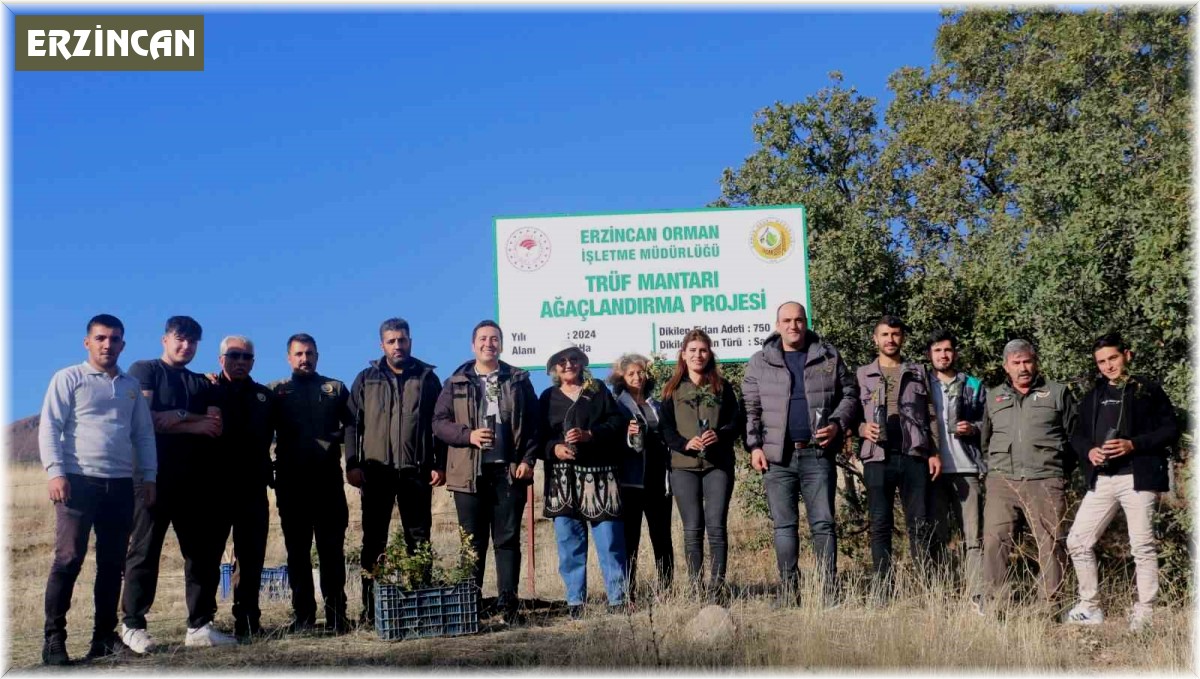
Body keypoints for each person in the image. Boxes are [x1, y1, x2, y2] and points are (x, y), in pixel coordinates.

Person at [39, 314, 157, 665]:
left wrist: (149, 476)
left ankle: (103, 638)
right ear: (87, 342)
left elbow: (143, 435)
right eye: (101, 338)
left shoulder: (130, 386)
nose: (108, 345)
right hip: (77, 481)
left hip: (120, 484)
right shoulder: (68, 378)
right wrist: (55, 472)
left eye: (115, 339)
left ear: (123, 344)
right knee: (68, 558)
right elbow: (50, 426)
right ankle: (53, 639)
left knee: (111, 563)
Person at [120, 316, 236, 651]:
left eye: (192, 341)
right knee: (144, 551)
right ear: (165, 339)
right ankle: (133, 624)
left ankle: (199, 625)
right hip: (151, 478)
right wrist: (191, 419)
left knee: (200, 555)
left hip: (194, 483)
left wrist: (175, 417)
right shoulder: (145, 370)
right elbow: (145, 419)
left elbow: (214, 426)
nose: (186, 346)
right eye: (180, 339)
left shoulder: (204, 383)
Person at [743, 302, 857, 607]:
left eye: (799, 320)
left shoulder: (828, 356)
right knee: (784, 527)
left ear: (806, 322)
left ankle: (827, 592)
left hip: (817, 454)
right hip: (777, 457)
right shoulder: (759, 361)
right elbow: (751, 409)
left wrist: (837, 424)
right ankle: (789, 593)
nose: (793, 325)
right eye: (787, 320)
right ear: (777, 324)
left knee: (823, 524)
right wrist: (754, 446)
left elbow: (850, 395)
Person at [1064, 333, 1178, 631]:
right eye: (1101, 361)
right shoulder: (1093, 395)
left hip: (1137, 479)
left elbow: (1170, 429)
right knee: (1077, 541)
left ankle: (1145, 613)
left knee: (1141, 546)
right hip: (1102, 479)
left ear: (1127, 354)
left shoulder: (1147, 390)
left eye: (1112, 358)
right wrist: (1089, 451)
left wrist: (1134, 445)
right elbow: (1076, 435)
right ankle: (1089, 607)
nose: (1107, 366)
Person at [432, 320, 538, 624]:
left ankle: (508, 605)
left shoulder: (518, 380)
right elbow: (438, 423)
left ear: (501, 344)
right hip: (468, 475)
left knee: (506, 540)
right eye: (482, 338)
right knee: (473, 543)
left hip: (508, 472)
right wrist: (468, 436)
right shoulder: (456, 381)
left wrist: (527, 459)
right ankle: (470, 606)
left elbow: (532, 426)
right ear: (472, 344)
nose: (488, 343)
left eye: (494, 339)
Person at [346, 317, 445, 627]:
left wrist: (439, 463)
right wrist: (352, 463)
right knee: (374, 541)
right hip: (376, 473)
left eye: (402, 340)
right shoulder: (366, 379)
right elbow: (352, 425)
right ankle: (371, 609)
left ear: (410, 341)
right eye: (391, 341)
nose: (398, 345)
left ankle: (422, 606)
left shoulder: (427, 378)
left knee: (420, 539)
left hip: (416, 471)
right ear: (382, 345)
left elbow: (439, 424)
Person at [980, 339, 1076, 608]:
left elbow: (1074, 438)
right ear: (1006, 366)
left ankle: (1051, 606)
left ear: (1036, 362)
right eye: (1016, 363)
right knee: (994, 542)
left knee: (1051, 543)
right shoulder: (993, 396)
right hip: (1002, 481)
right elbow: (986, 441)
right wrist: (997, 470)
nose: (1023, 368)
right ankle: (996, 604)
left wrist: (1056, 471)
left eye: (1027, 361)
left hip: (1046, 479)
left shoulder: (1057, 393)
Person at [269, 333, 352, 632]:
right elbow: (262, 433)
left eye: (310, 353)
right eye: (299, 354)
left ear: (318, 355)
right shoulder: (276, 391)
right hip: (292, 486)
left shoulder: (336, 389)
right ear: (289, 357)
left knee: (332, 552)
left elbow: (354, 427)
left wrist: (351, 461)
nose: (305, 359)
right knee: (298, 554)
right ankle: (303, 617)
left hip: (328, 483)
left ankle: (337, 616)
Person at [538, 342, 627, 617]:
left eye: (573, 359)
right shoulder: (546, 397)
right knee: (569, 542)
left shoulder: (598, 390)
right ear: (554, 367)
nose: (568, 364)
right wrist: (554, 448)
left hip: (600, 475)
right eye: (562, 360)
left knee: (610, 540)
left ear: (581, 363)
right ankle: (576, 602)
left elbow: (616, 424)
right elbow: (537, 437)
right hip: (562, 479)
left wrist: (591, 435)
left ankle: (618, 598)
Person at [855, 315, 941, 594]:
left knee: (920, 524)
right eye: (884, 334)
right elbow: (851, 414)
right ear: (875, 339)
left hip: (913, 456)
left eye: (895, 334)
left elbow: (930, 415)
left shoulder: (917, 371)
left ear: (902, 338)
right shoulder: (861, 374)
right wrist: (861, 428)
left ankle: (927, 586)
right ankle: (883, 588)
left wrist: (934, 452)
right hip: (877, 457)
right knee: (880, 524)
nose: (890, 339)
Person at [659, 329, 744, 603]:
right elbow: (665, 430)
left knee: (716, 526)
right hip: (683, 467)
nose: (698, 355)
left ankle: (717, 588)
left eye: (703, 350)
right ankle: (696, 589)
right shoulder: (672, 390)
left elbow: (736, 422)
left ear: (710, 354)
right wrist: (685, 444)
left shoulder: (722, 387)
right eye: (692, 350)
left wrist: (720, 434)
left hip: (718, 464)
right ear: (683, 355)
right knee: (692, 528)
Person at [210, 336, 274, 637]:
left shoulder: (264, 396)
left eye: (247, 357)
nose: (240, 361)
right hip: (215, 487)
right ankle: (202, 622)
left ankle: (247, 621)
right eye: (234, 355)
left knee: (251, 558)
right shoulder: (206, 389)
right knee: (207, 556)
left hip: (252, 488)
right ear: (221, 358)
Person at [925, 329, 987, 596]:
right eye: (938, 350)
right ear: (930, 354)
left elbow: (987, 423)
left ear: (955, 353)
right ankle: (943, 592)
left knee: (973, 538)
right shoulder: (922, 385)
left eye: (948, 350)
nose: (943, 355)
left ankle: (976, 594)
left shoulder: (973, 384)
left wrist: (972, 428)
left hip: (967, 469)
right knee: (938, 537)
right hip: (934, 471)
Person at [608, 352, 673, 599]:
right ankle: (628, 592)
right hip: (630, 482)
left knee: (662, 538)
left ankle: (666, 590)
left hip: (658, 481)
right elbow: (611, 438)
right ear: (621, 377)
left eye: (641, 372)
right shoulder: (617, 406)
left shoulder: (656, 404)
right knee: (629, 540)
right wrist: (626, 433)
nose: (637, 377)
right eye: (631, 373)